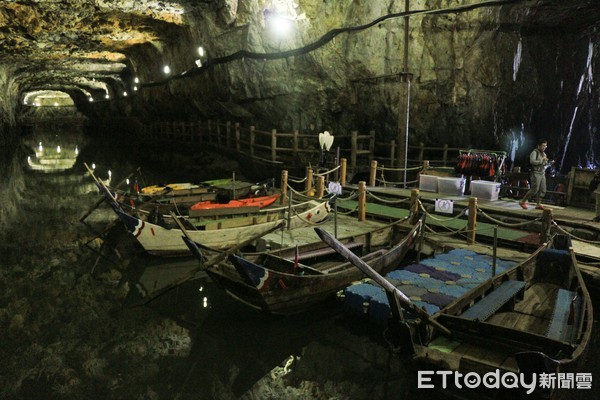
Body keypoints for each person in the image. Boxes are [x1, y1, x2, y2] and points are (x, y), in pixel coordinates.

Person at [519, 139, 552, 210]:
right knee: (534, 189)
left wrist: (548, 163)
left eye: (545, 146)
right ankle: (522, 201)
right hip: (535, 173)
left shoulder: (544, 154)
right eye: (543, 145)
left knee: (542, 189)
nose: (544, 147)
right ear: (539, 146)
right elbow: (532, 161)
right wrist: (541, 161)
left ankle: (538, 204)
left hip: (542, 173)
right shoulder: (534, 152)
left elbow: (544, 163)